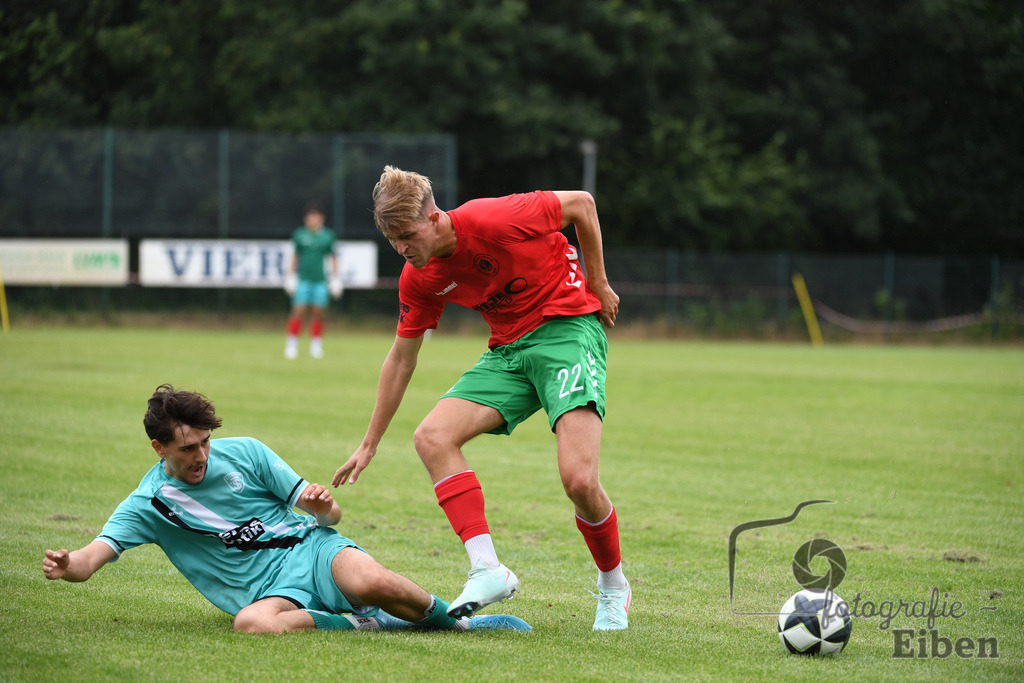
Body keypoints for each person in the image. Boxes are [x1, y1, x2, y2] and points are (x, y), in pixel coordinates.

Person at [332, 166, 630, 631]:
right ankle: (488, 569)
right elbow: (401, 359)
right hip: (508, 351)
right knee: (432, 437)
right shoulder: (418, 276)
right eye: (393, 241)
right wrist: (369, 443)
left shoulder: (493, 218)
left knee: (578, 482)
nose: (403, 250)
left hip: (567, 329)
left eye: (407, 236)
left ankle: (613, 586)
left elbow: (582, 205)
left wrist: (599, 283)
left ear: (434, 218)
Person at [42, 384, 530, 634]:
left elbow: (329, 519)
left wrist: (323, 510)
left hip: (312, 548)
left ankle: (462, 622)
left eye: (204, 442)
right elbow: (89, 561)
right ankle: (370, 623)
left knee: (374, 583)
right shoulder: (148, 505)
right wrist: (67, 566)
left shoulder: (247, 451)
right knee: (251, 625)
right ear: (158, 448)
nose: (200, 456)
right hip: (267, 591)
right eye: (187, 448)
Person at [284, 202, 343, 359]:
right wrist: (291, 275)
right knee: (298, 311)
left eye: (316, 216)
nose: (313, 219)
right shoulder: (300, 235)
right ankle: (292, 344)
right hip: (304, 280)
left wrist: (336, 278)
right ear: (306, 218)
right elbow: (295, 256)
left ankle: (316, 345)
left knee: (318, 313)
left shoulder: (327, 236)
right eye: (310, 216)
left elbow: (333, 257)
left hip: (320, 281)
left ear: (322, 218)